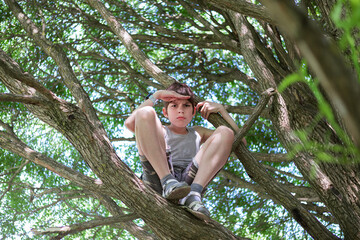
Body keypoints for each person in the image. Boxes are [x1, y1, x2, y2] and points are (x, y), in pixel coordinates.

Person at [125, 81, 244, 220]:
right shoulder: (158, 130)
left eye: (186, 105)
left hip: (189, 182)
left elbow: (239, 143)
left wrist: (222, 111)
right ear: (165, 112)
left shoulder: (199, 132)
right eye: (174, 105)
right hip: (158, 177)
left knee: (225, 132)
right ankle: (167, 181)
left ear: (194, 111)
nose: (180, 110)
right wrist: (157, 95)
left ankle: (194, 194)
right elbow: (130, 123)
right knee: (145, 112)